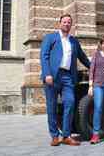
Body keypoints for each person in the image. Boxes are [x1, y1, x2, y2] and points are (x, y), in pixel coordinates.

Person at [40, 14, 91, 146]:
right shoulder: (50, 38)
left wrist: (94, 67)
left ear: (71, 25)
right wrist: (47, 74)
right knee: (52, 107)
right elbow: (44, 56)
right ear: (60, 23)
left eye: (69, 22)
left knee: (70, 102)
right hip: (52, 76)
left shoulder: (74, 41)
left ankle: (66, 135)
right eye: (64, 22)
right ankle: (55, 136)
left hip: (68, 77)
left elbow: (83, 57)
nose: (67, 24)